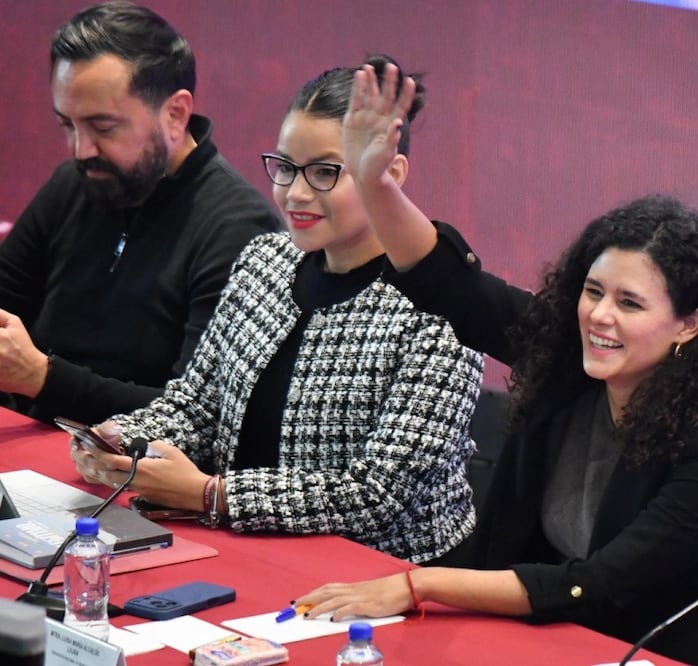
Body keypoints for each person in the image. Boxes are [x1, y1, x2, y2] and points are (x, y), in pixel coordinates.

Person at [294, 65, 698, 665]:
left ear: (690, 324)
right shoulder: (567, 361)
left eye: (630, 303)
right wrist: (375, 185)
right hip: (527, 644)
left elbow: (598, 586)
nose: (600, 316)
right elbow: (453, 286)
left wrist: (420, 583)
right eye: (594, 292)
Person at [69, 55, 484, 564]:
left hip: (389, 574)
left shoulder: (445, 306)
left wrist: (210, 494)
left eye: (327, 172)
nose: (297, 193)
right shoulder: (266, 260)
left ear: (390, 173)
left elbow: (378, 496)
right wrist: (124, 440)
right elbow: (198, 406)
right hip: (245, 545)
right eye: (285, 168)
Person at [0, 1, 280, 424]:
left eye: (103, 127)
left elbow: (197, 420)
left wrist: (44, 379)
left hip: (135, 476)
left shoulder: (238, 229)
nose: (81, 150)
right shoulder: (72, 184)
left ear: (175, 113)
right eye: (67, 125)